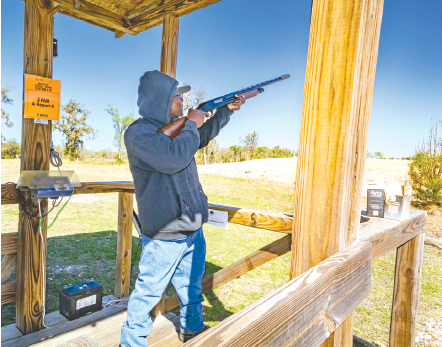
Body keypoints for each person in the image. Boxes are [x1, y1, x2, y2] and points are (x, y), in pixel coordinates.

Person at [120, 70, 245, 347]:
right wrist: (191, 123)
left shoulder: (179, 128)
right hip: (165, 233)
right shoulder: (138, 134)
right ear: (161, 100)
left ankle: (192, 330)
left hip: (192, 227)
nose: (181, 101)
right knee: (148, 294)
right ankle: (130, 342)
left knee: (191, 288)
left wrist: (226, 110)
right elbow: (173, 158)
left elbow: (202, 136)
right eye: (177, 96)